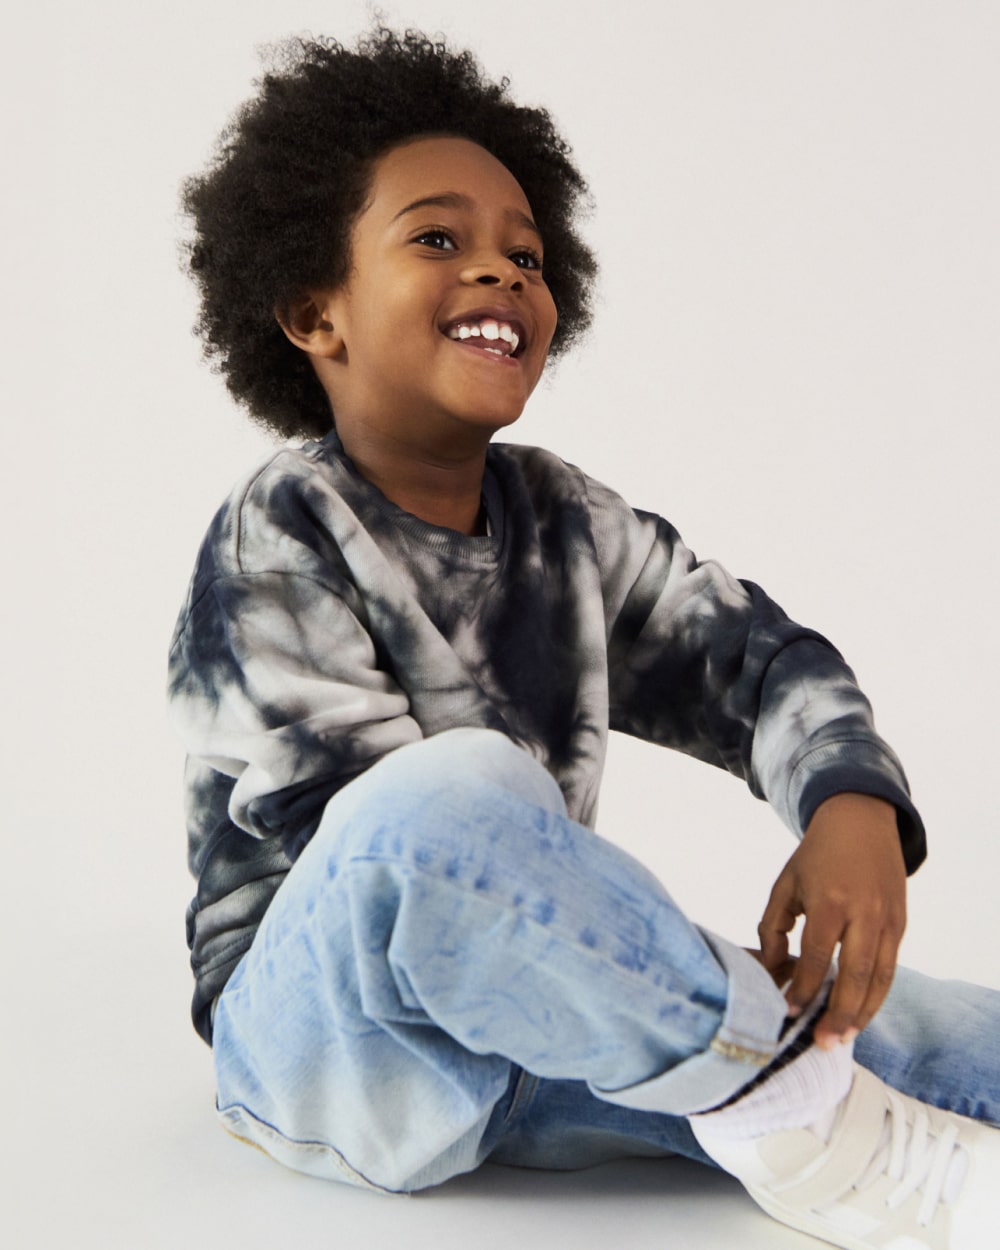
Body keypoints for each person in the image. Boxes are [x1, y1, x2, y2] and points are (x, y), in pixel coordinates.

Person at [168, 26, 999, 1248]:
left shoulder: (565, 519)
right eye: (437, 238)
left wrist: (849, 804)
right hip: (332, 1045)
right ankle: (809, 1115)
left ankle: (795, 1093)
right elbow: (392, 851)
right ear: (313, 309)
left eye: (527, 252)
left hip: (548, 1012)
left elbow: (758, 660)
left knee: (937, 1035)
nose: (502, 273)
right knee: (457, 789)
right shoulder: (278, 529)